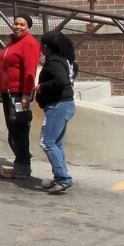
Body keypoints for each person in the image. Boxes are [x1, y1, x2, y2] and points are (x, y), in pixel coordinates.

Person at [0, 14, 42, 180]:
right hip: (8, 93)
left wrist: (26, 95)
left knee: (18, 131)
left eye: (22, 24)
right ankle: (22, 161)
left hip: (19, 93)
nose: (18, 27)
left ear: (28, 27)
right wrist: (0, 89)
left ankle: (22, 167)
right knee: (13, 131)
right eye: (16, 23)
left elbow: (30, 72)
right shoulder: (13, 42)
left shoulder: (29, 44)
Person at [37, 29, 78, 194]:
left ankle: (63, 178)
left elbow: (61, 81)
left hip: (57, 106)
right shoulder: (65, 60)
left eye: (42, 45)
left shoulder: (54, 61)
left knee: (47, 142)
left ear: (47, 46)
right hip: (65, 105)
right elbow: (73, 72)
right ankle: (59, 177)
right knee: (56, 142)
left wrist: (41, 87)